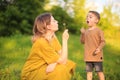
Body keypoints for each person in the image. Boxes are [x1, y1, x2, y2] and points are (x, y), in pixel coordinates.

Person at [21, 13, 76, 80]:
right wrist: (64, 40)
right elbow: (62, 60)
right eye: (54, 21)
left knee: (68, 64)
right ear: (48, 26)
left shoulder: (53, 39)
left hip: (45, 66)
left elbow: (63, 56)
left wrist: (55, 63)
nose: (57, 21)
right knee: (61, 69)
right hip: (32, 72)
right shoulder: (41, 42)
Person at [80, 11, 105, 80]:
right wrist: (82, 34)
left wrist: (99, 48)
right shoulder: (86, 31)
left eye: (90, 17)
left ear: (96, 20)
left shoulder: (99, 31)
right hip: (88, 56)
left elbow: (103, 42)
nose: (88, 18)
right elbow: (82, 42)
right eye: (87, 17)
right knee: (89, 73)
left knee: (99, 72)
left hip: (97, 57)